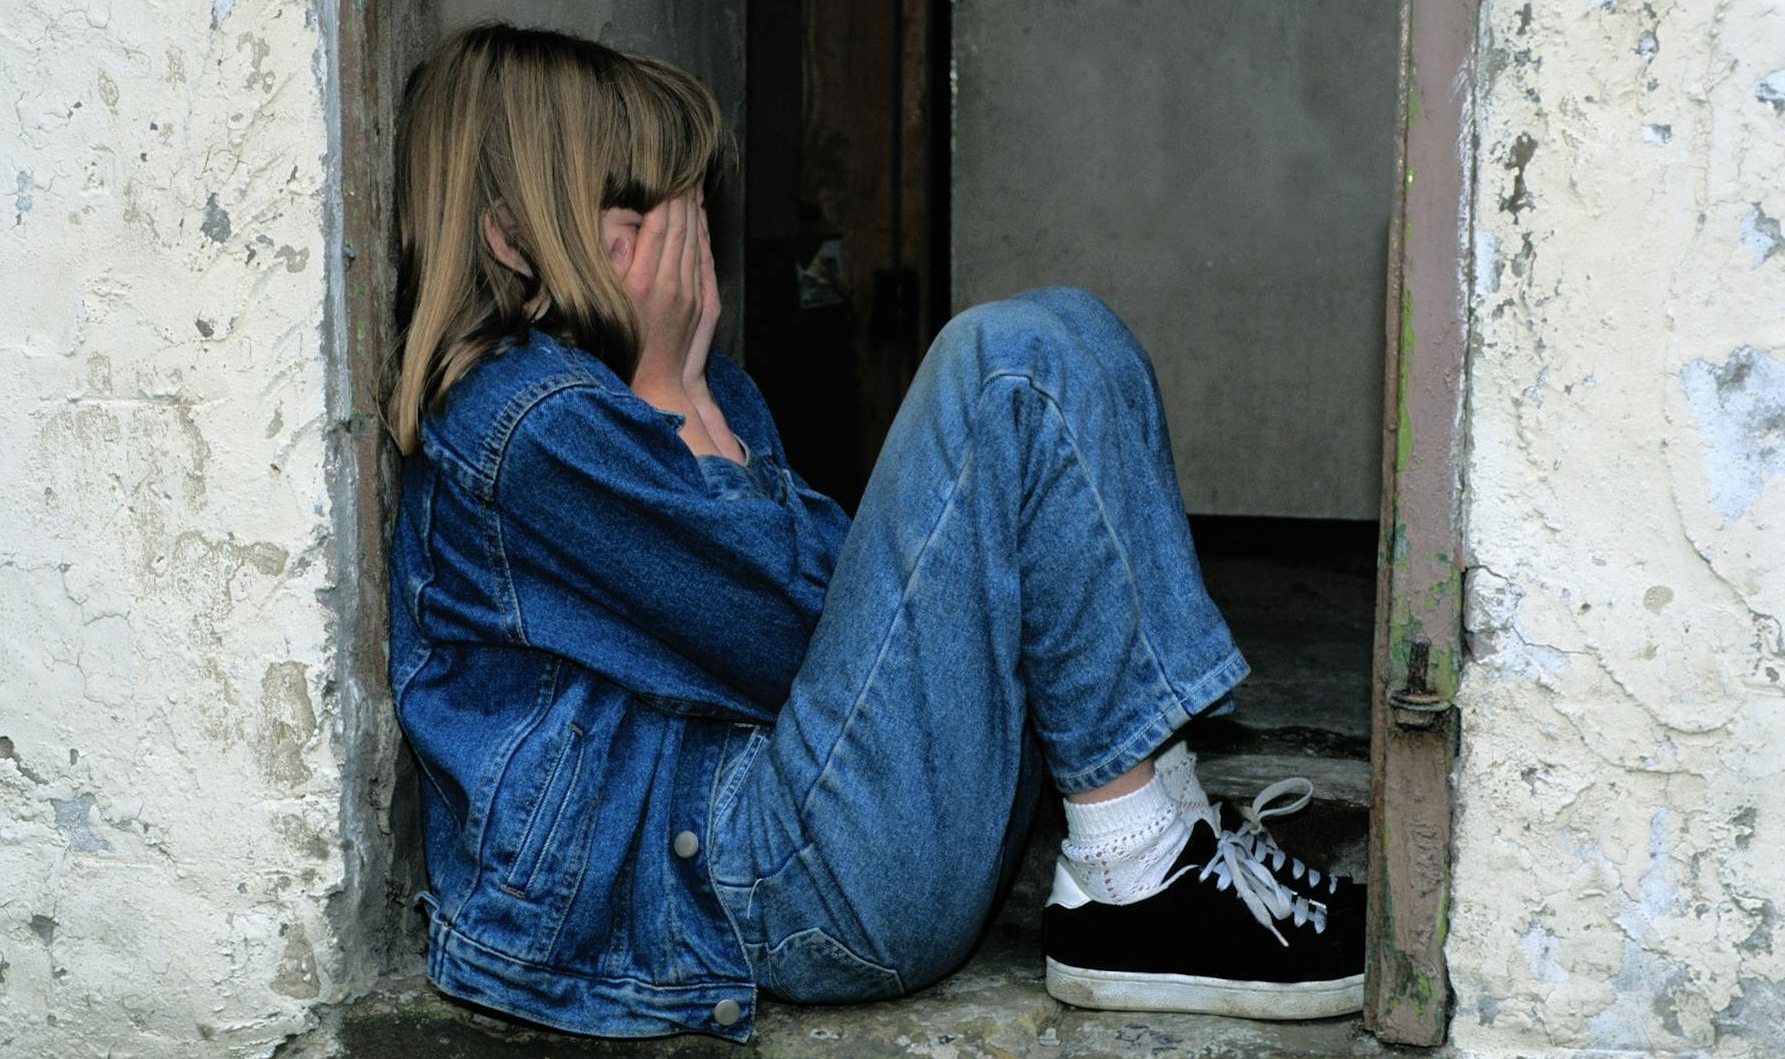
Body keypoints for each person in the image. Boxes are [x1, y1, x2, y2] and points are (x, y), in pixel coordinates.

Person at [381, 22, 1366, 1044]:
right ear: (508, 236)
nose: (684, 253)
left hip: (799, 834)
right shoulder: (528, 425)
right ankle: (1136, 880)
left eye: (686, 210)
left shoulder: (662, 390)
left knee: (1069, 332)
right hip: (749, 889)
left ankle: (1156, 840)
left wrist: (696, 402)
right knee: (1007, 364)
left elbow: (847, 622)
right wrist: (678, 398)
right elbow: (802, 634)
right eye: (638, 215)